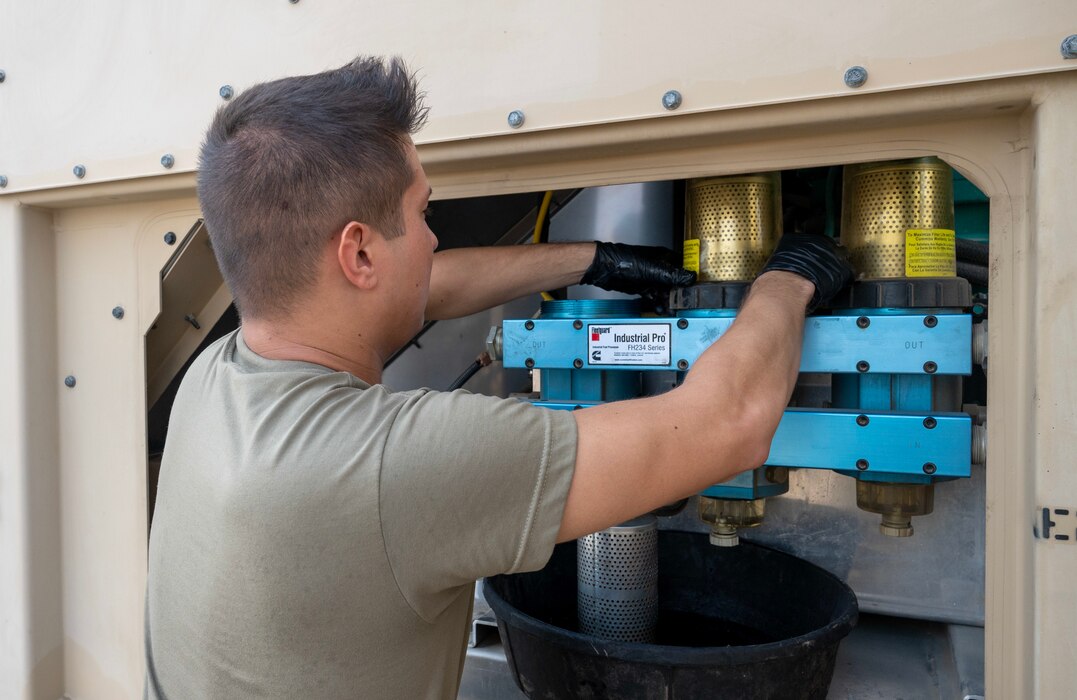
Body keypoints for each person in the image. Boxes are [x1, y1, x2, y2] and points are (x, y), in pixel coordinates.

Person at [144, 56, 852, 699]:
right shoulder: (394, 465)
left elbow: (419, 287)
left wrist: (592, 260)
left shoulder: (221, 373)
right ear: (357, 253)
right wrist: (789, 281)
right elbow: (727, 424)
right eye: (423, 214)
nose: (431, 238)